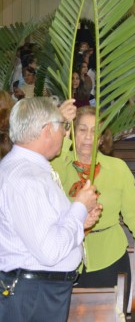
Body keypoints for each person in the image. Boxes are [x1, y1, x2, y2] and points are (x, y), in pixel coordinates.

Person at [0, 97, 101, 322]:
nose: (66, 134)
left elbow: (44, 225)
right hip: (34, 293)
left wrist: (80, 219)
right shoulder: (26, 178)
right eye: (63, 127)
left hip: (36, 289)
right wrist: (79, 207)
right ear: (47, 130)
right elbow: (49, 250)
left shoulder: (27, 168)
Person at [52, 106, 135, 288]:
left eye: (95, 131)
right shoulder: (59, 165)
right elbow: (50, 178)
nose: (89, 136)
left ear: (101, 138)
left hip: (109, 255)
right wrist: (63, 136)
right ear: (72, 132)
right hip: (64, 257)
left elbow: (133, 210)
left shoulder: (117, 168)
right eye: (82, 130)